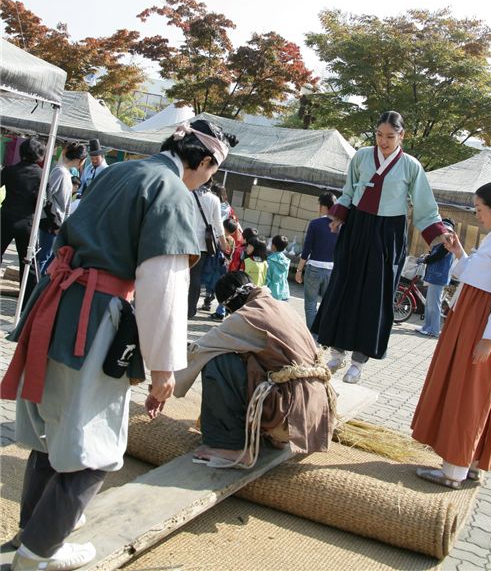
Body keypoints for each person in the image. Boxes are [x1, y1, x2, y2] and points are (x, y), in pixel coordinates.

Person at [1, 119, 236, 571]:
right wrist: (166, 370)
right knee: (95, 448)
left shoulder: (115, 172)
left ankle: (32, 533)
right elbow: (162, 288)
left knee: (54, 433)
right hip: (94, 318)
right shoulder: (171, 193)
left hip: (53, 305)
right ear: (204, 161)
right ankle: (39, 553)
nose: (207, 179)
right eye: (210, 171)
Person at [312, 111, 446, 384]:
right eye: (379, 135)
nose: (383, 141)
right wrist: (339, 216)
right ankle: (337, 352)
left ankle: (359, 362)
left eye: (390, 136)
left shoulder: (411, 166)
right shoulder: (361, 156)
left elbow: (424, 205)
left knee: (375, 294)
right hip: (357, 228)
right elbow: (348, 191)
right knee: (343, 286)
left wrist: (438, 236)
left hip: (388, 233)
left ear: (401, 136)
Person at [411, 183, 491, 489]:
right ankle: (470, 462)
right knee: (467, 387)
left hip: (480, 323)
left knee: (469, 391)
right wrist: (458, 251)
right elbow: (473, 274)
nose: (477, 216)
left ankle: (454, 470)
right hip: (471, 317)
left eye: (479, 210)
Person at [165, 271, 337, 468]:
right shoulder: (282, 306)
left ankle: (232, 448)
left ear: (230, 305)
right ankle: (276, 437)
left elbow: (199, 350)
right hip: (316, 415)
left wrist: (163, 384)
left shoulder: (246, 317)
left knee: (218, 360)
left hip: (289, 416)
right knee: (254, 360)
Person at [37, 142, 87, 275]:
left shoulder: (63, 172)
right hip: (52, 222)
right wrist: (57, 223)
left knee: (49, 257)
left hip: (55, 222)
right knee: (44, 257)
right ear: (80, 160)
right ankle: (34, 287)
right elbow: (49, 198)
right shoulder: (60, 172)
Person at [0, 138, 46, 283]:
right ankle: (27, 301)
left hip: (5, 217)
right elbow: (44, 202)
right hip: (27, 222)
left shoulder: (10, 170)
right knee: (28, 265)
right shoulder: (41, 175)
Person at [295, 191, 338, 330]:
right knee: (327, 304)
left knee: (310, 304)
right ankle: (324, 334)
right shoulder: (340, 226)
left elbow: (307, 250)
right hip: (331, 270)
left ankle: (312, 334)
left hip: (313, 268)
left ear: (324, 206)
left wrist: (299, 270)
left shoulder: (315, 223)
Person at [188, 180, 229, 318]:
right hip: (203, 245)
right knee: (195, 277)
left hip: (184, 241)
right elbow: (218, 224)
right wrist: (223, 243)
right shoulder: (214, 199)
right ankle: (190, 309)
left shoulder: (188, 193)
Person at [415, 217, 456, 338]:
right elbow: (433, 254)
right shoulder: (440, 242)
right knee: (429, 304)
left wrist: (426, 259)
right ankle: (427, 327)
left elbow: (437, 257)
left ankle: (434, 330)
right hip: (433, 276)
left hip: (439, 277)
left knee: (434, 305)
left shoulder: (448, 243)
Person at [266, 235, 290, 301]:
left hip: (272, 293)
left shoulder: (270, 260)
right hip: (284, 292)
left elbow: (267, 278)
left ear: (273, 246)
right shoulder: (286, 260)